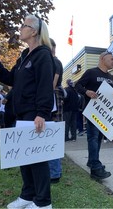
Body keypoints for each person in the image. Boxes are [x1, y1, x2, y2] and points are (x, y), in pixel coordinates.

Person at [0, 14, 54, 208]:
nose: (21, 28)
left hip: (33, 112)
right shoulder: (23, 57)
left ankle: (43, 202)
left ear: (34, 31)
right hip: (20, 114)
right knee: (24, 157)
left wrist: (42, 113)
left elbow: (45, 85)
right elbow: (11, 79)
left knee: (37, 159)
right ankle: (28, 195)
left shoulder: (43, 54)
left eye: (24, 25)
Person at [75, 51, 113, 180]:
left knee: (98, 138)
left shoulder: (111, 77)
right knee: (93, 137)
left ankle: (92, 161)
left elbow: (109, 94)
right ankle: (95, 168)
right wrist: (86, 91)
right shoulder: (91, 72)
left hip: (103, 113)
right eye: (111, 59)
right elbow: (78, 85)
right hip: (92, 111)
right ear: (102, 59)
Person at [49, 38, 64, 184]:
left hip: (52, 97)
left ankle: (54, 172)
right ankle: (53, 170)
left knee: (53, 135)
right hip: (52, 97)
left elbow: (53, 83)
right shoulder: (52, 61)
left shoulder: (55, 62)